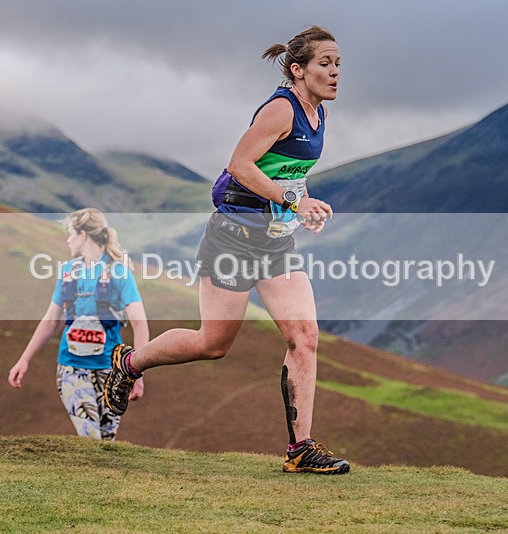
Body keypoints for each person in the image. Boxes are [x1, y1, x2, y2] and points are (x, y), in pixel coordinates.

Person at [106, 26, 349, 474]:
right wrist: (293, 200)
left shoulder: (319, 116)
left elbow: (287, 170)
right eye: (325, 64)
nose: (335, 73)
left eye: (338, 65)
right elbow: (239, 166)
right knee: (212, 343)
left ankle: (301, 449)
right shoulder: (281, 109)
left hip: (276, 241)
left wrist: (302, 202)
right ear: (298, 70)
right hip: (233, 236)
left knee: (305, 338)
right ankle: (130, 362)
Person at [9, 208, 149, 440]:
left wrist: (136, 373)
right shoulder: (68, 273)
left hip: (111, 371)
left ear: (83, 235)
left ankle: (103, 477)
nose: (68, 239)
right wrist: (24, 359)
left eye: (71, 233)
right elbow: (51, 320)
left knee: (106, 440)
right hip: (71, 369)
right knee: (90, 436)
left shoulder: (119, 273)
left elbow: (140, 324)